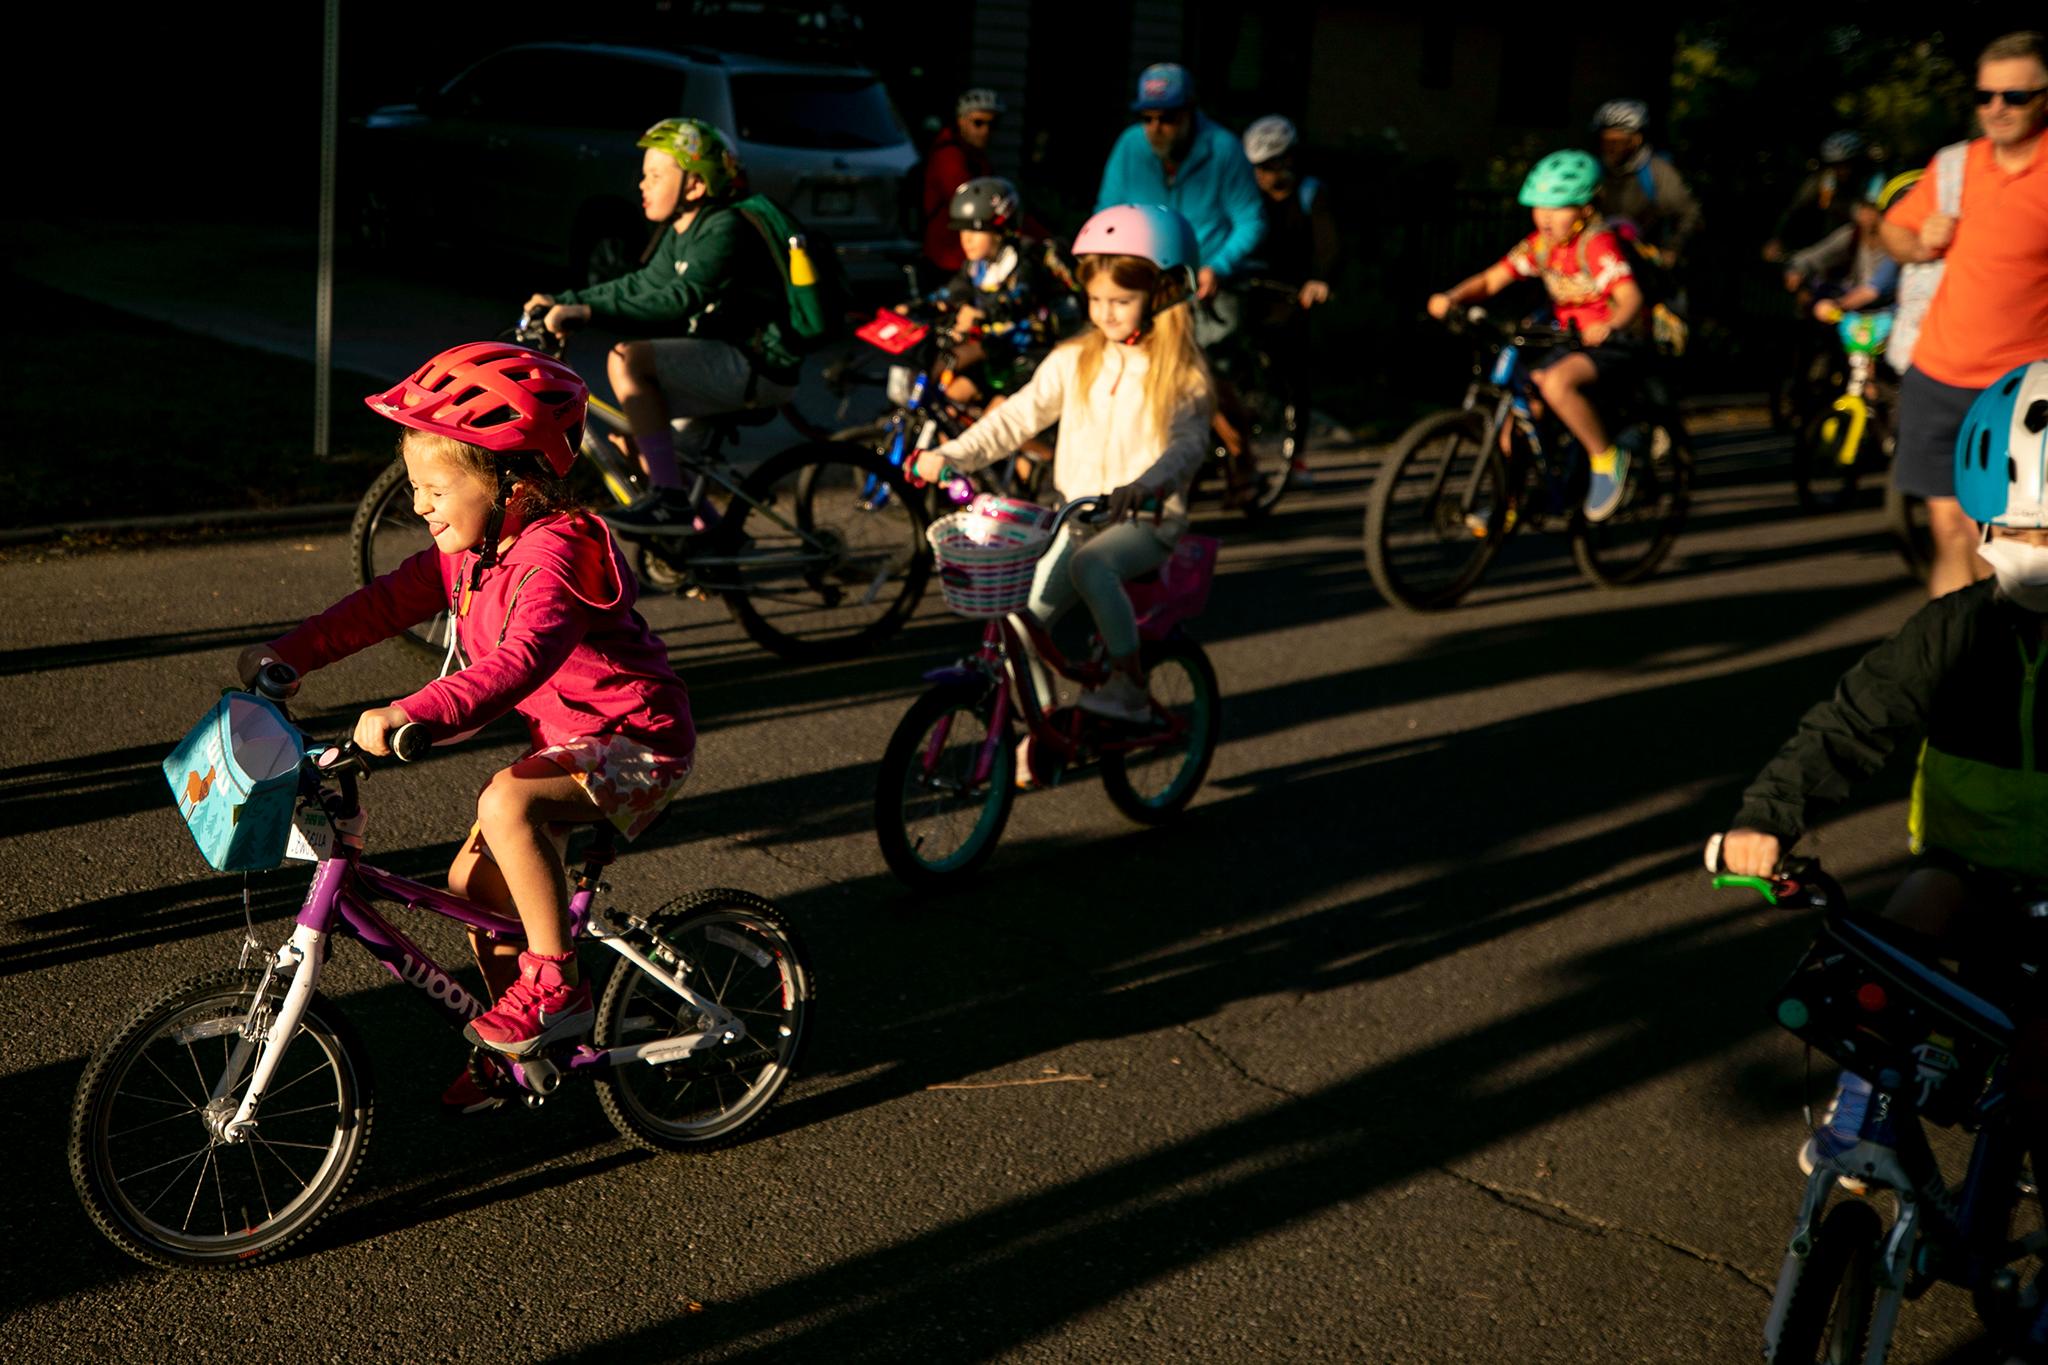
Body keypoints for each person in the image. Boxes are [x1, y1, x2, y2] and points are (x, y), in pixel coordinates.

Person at [237, 342, 696, 1113]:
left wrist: (412, 709)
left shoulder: (557, 558)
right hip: (571, 744)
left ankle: (558, 989)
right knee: (474, 894)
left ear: (508, 482)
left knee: (505, 804)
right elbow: (380, 605)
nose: (418, 505)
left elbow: (520, 659)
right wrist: (289, 655)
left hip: (640, 742)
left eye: (432, 487)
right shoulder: (470, 553)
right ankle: (524, 1034)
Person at [1713, 359, 2048, 1362]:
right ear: (1983, 527)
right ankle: (1863, 1117)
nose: (2036, 557)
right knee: (1890, 937)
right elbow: (1851, 723)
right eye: (2024, 534)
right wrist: (1765, 817)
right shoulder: (1949, 632)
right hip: (1966, 870)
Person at [910, 204, 1215, 724]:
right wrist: (950, 453)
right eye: (1095, 299)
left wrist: (1147, 485)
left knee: (1092, 566)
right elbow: (1017, 418)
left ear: (1162, 294)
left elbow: (1187, 446)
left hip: (1145, 521)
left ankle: (1129, 686)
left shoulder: (1181, 373)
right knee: (1024, 625)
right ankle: (1042, 728)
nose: (1106, 313)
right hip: (1073, 520)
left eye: (1122, 300)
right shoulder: (1076, 357)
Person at [524, 118, 800, 539]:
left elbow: (679, 297)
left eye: (656, 175)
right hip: (722, 359)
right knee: (632, 442)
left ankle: (670, 500)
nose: (642, 184)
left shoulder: (724, 227)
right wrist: (566, 301)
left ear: (694, 187)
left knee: (627, 358)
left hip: (757, 365)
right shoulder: (680, 229)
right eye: (643, 174)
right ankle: (714, 537)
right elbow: (641, 284)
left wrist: (586, 314)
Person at [1880, 30, 2048, 600]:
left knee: (2010, 540)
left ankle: (2013, 662)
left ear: (2045, 97)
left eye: (2015, 97)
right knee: (1951, 530)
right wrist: (1916, 242)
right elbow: (1892, 232)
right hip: (1936, 377)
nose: (1997, 109)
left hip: (2022, 391)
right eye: (1986, 96)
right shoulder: (1954, 166)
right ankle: (1958, 664)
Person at [1426, 150, 1650, 523]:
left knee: (1555, 383)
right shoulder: (1541, 246)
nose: (1545, 216)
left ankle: (1607, 459)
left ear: (1585, 209)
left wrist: (1611, 325)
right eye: (1539, 206)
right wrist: (1452, 297)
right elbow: (1490, 279)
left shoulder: (1596, 244)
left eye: (1559, 207)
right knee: (1517, 414)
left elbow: (1630, 297)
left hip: (1613, 341)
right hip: (1569, 340)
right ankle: (1508, 500)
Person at [1094, 63, 1264, 340]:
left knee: (1207, 370)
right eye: (1146, 118)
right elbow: (1107, 215)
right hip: (1143, 284)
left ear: (1190, 111)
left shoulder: (1223, 148)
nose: (1155, 128)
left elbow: (1250, 220)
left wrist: (1219, 267)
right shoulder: (1130, 145)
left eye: (1167, 118)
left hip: (1207, 286)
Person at [1241, 115, 1336, 488]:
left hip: (1291, 294)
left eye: (1268, 166)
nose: (1262, 176)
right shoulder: (1248, 195)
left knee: (1293, 375)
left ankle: (1296, 457)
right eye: (1257, 168)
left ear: (1287, 160)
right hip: (1248, 288)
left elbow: (1329, 245)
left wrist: (1320, 280)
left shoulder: (1311, 193)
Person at [1590, 98, 1702, 268]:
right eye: (1605, 141)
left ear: (1636, 140)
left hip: (1647, 263)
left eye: (1617, 141)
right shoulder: (1594, 169)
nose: (1609, 148)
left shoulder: (1658, 170)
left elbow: (1689, 214)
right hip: (1602, 260)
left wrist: (1673, 249)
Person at [1781, 173, 1904, 322]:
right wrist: (1796, 269)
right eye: (1863, 208)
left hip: (1888, 314)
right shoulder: (1852, 235)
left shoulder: (1897, 240)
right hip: (1856, 314)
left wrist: (1839, 304)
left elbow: (1873, 290)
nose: (1867, 215)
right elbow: (1816, 255)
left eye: (1873, 209)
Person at [1763, 129, 1886, 264]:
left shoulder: (1874, 179)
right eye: (1836, 165)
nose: (1841, 171)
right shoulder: (1825, 179)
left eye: (1846, 164)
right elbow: (1794, 209)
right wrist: (1777, 238)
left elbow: (1870, 215)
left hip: (1859, 246)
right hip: (1825, 242)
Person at [921, 88, 1005, 278]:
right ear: (961, 121)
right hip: (948, 258)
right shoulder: (949, 157)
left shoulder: (976, 157)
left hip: (970, 257)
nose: (986, 131)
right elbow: (982, 204)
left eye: (994, 124)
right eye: (978, 123)